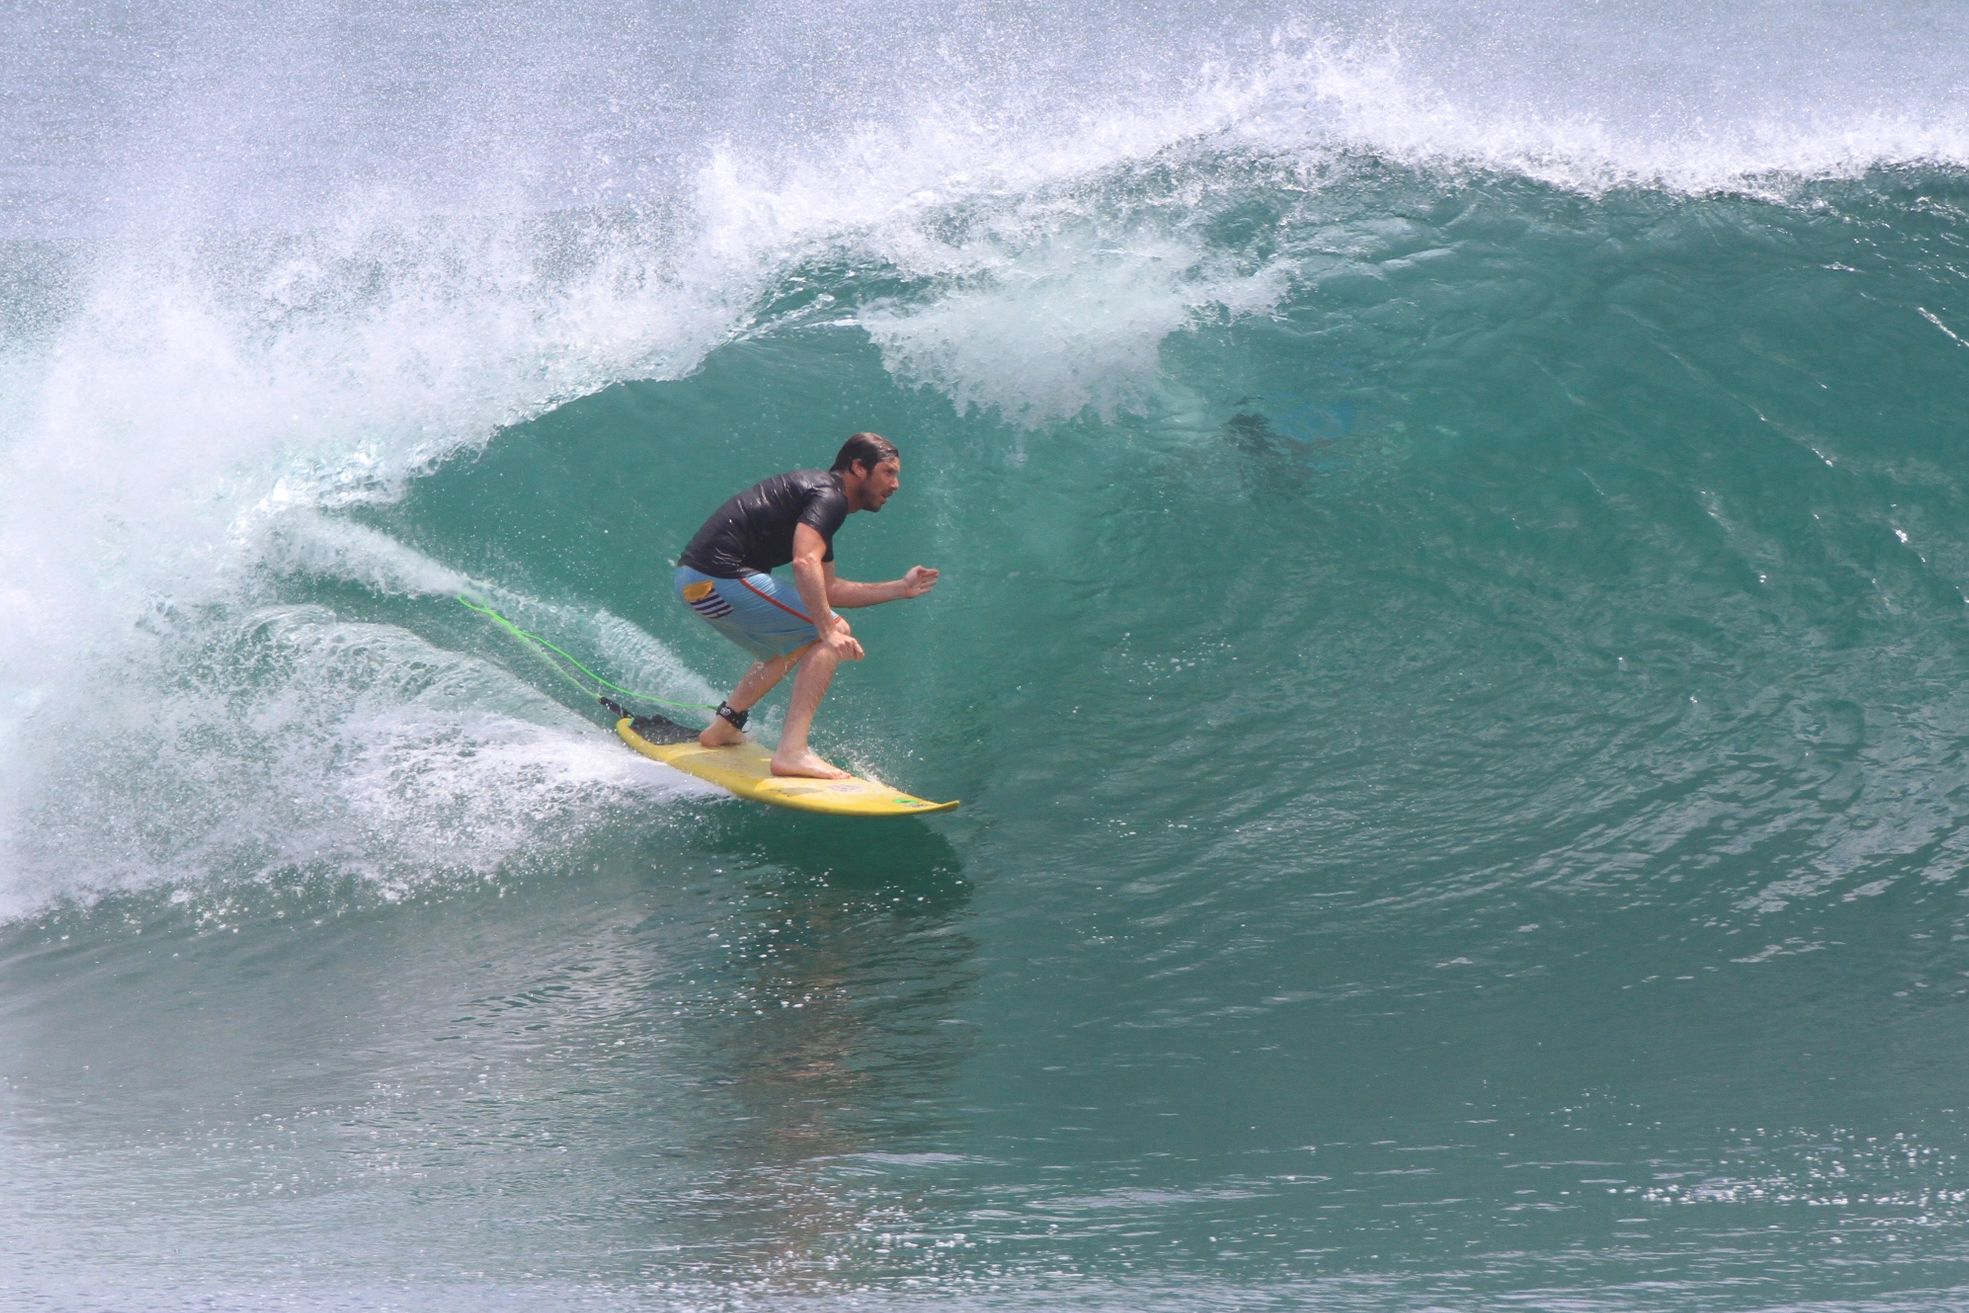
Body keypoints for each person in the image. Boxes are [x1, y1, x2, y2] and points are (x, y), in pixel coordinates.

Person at [674, 433, 939, 779]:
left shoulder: (817, 502)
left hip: (697, 583)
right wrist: (828, 630)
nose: (896, 484)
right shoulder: (829, 496)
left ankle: (725, 725)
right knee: (829, 630)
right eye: (888, 472)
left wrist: (900, 589)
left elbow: (828, 589)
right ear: (858, 468)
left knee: (787, 647)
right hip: (718, 577)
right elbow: (803, 564)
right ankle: (792, 752)